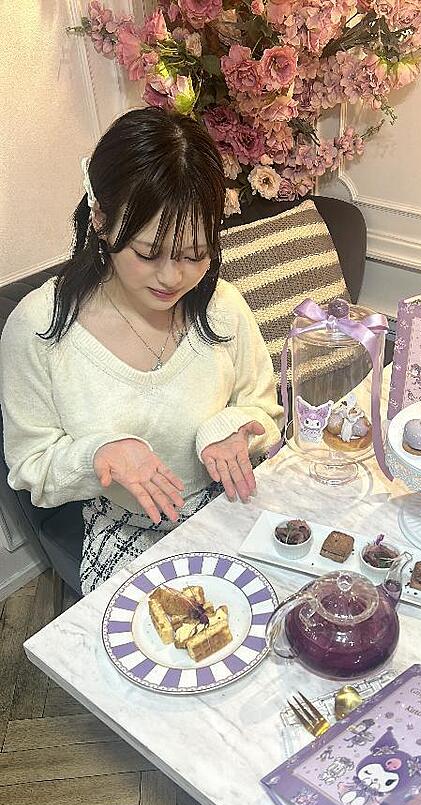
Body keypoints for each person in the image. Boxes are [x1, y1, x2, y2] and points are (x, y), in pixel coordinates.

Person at [0, 108, 282, 594]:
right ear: (101, 220)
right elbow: (31, 466)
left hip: (231, 503)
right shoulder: (40, 327)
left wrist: (232, 431)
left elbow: (265, 410)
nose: (172, 278)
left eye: (194, 254)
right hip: (126, 531)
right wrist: (100, 456)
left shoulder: (222, 306)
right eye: (148, 253)